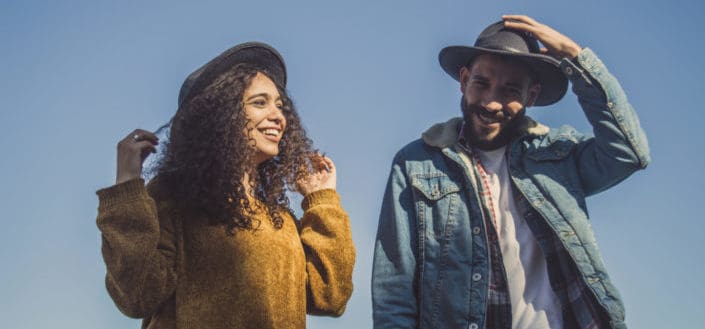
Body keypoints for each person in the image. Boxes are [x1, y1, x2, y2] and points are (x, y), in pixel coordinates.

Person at [372, 15, 649, 329]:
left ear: (531, 96)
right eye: (481, 83)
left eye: (510, 90)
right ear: (463, 81)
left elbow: (628, 153)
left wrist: (575, 58)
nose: (491, 102)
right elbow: (394, 289)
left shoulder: (556, 155)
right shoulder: (416, 164)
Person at [96, 42, 355, 329]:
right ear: (220, 114)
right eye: (260, 102)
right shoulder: (173, 198)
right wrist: (127, 186)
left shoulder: (281, 222)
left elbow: (330, 296)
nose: (279, 117)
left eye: (280, 106)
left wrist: (322, 201)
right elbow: (137, 294)